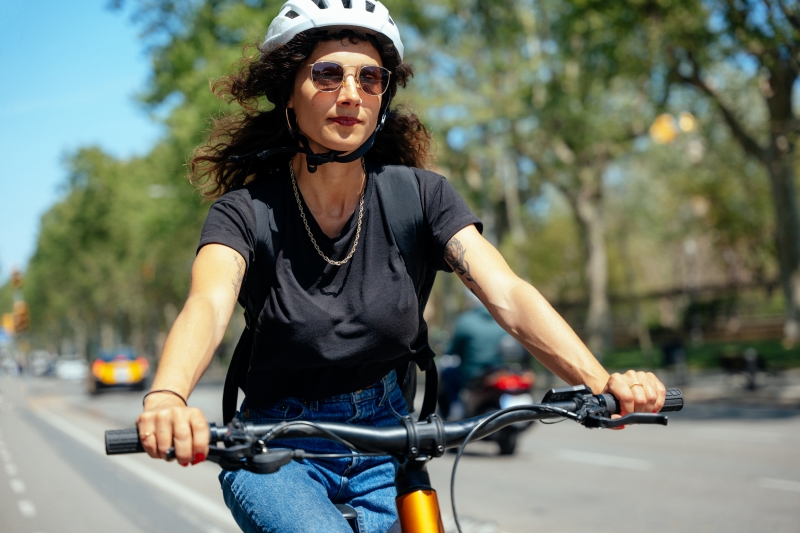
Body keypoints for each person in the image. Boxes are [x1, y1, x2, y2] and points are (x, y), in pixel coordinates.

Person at [135, 1, 667, 532]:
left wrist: (602, 382)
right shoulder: (245, 214)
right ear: (286, 93)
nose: (350, 94)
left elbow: (507, 292)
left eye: (370, 78)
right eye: (327, 74)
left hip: (391, 441)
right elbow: (207, 304)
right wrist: (167, 397)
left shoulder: (422, 197)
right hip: (276, 445)